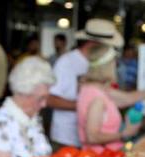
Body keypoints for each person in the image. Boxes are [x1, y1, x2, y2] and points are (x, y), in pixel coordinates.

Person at [77, 45, 145, 152]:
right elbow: (92, 137)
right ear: (107, 66)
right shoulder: (98, 99)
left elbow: (129, 98)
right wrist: (125, 133)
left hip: (106, 154)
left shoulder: (93, 88)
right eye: (115, 63)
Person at [49, 18, 122, 149]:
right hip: (67, 138)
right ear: (95, 43)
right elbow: (50, 99)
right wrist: (88, 107)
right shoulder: (66, 62)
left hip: (90, 142)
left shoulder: (101, 63)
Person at [0, 56, 54, 157]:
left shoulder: (31, 117)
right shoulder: (2, 123)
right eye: (41, 98)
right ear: (24, 94)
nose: (44, 104)